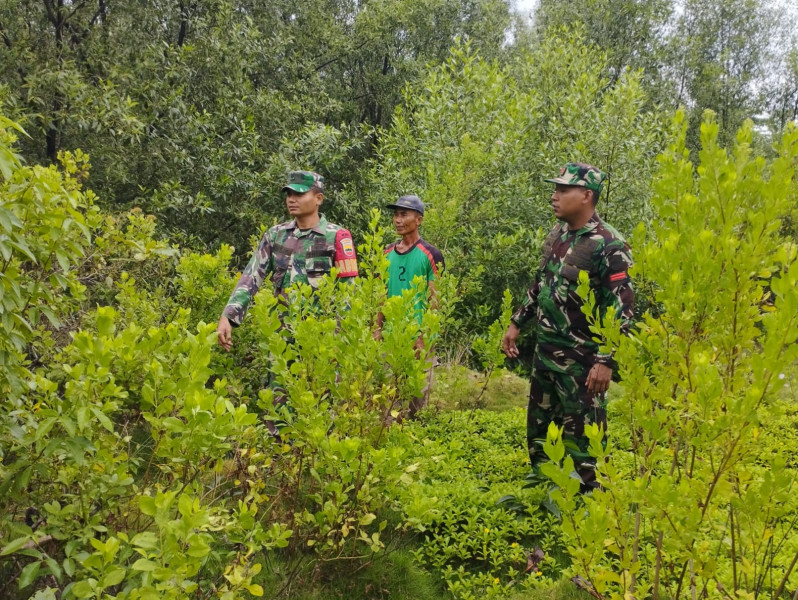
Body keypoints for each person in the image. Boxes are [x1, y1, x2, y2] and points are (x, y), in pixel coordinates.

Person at [501, 163, 634, 490]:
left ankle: (592, 511)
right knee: (540, 437)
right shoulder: (557, 236)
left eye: (563, 190)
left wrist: (605, 361)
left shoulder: (609, 244)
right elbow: (541, 284)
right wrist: (517, 321)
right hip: (545, 359)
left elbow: (622, 307)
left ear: (587, 195)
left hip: (582, 367)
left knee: (585, 446)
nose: (554, 196)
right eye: (555, 189)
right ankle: (545, 503)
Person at [217, 170, 358, 349]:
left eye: (299, 194)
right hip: (281, 338)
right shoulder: (276, 235)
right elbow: (250, 278)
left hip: (321, 341)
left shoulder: (337, 237)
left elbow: (347, 294)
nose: (292, 199)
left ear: (318, 199)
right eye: (289, 194)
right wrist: (228, 316)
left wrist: (341, 342)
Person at [381, 194, 445, 417]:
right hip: (392, 336)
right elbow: (382, 294)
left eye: (404, 215)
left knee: (418, 398)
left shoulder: (431, 254)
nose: (398, 220)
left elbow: (434, 300)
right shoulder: (386, 253)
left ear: (418, 219)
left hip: (419, 337)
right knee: (390, 399)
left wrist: (424, 336)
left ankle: (419, 443)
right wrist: (376, 329)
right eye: (396, 215)